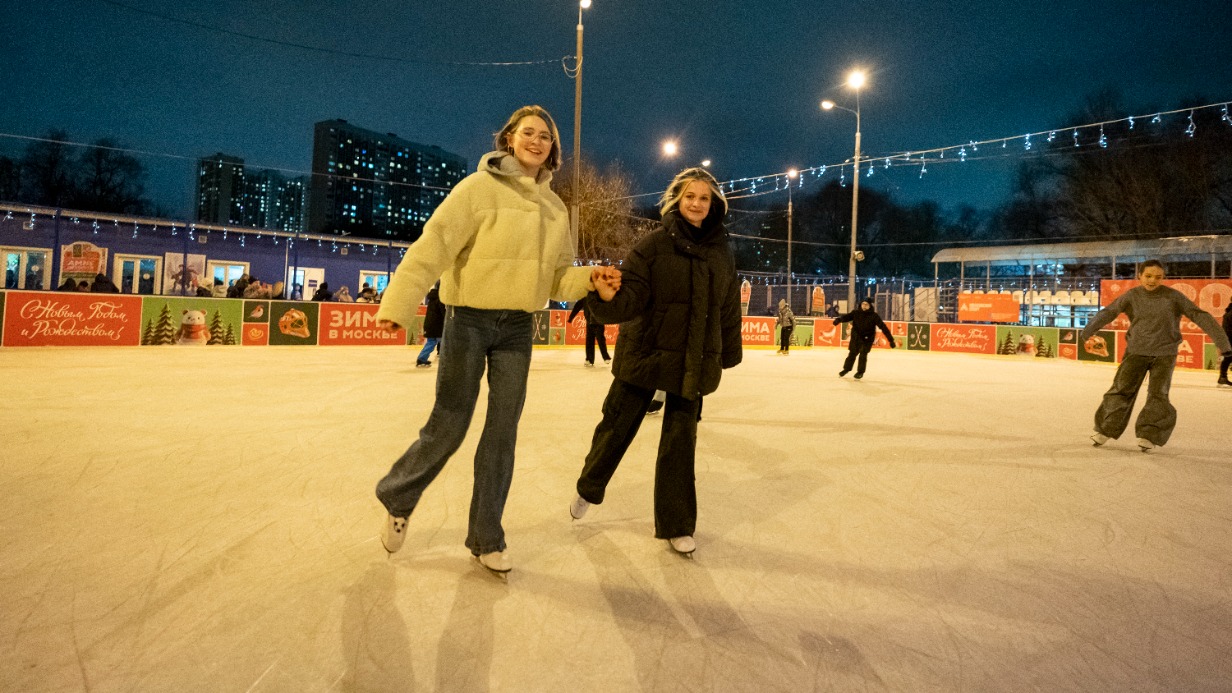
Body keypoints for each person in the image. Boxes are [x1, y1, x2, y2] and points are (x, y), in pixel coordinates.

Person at [371, 105, 615, 575]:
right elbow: (432, 246)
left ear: (553, 149)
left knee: (503, 432)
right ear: (508, 139)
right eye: (528, 133)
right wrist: (398, 304)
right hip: (468, 320)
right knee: (451, 421)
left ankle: (487, 536)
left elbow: (558, 278)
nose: (537, 141)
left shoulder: (554, 208)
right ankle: (399, 496)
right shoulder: (476, 190)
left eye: (546, 136)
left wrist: (590, 279)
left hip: (518, 327)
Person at [569, 167, 743, 557]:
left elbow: (727, 308)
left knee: (681, 444)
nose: (696, 204)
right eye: (689, 197)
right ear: (676, 201)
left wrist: (728, 353)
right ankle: (588, 487)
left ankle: (676, 524)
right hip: (646, 352)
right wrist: (606, 297)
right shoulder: (652, 245)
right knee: (616, 427)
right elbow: (629, 298)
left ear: (714, 205)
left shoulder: (721, 252)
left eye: (704, 198)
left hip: (693, 359)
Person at [1082, 260, 1232, 451]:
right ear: (1140, 276)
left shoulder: (1173, 297)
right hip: (1136, 351)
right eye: (1148, 276)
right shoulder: (1132, 296)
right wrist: (1088, 331)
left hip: (1165, 354)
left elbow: (1199, 315)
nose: (1153, 280)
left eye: (1158, 277)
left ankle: (1149, 434)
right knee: (1121, 390)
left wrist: (1222, 342)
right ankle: (1105, 429)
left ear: (1163, 278)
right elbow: (1110, 311)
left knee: (1158, 395)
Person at [833, 298, 896, 379]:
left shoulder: (874, 316)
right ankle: (846, 369)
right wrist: (838, 320)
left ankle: (860, 372)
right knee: (852, 354)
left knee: (863, 354)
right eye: (863, 304)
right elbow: (846, 317)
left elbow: (883, 327)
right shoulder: (856, 313)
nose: (864, 306)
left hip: (867, 339)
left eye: (866, 305)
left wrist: (891, 340)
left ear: (870, 306)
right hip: (856, 338)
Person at [567, 295, 611, 367]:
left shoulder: (599, 297)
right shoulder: (585, 298)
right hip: (589, 322)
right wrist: (571, 318)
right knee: (589, 341)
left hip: (598, 322)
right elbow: (577, 306)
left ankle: (606, 357)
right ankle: (589, 359)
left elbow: (606, 307)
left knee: (601, 339)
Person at [416, 282, 444, 368]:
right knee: (444, 343)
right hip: (437, 325)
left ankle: (422, 358)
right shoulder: (440, 299)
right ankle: (449, 360)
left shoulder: (432, 298)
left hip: (430, 324)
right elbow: (443, 312)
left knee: (431, 342)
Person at [1220, 306, 1232, 387]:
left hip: (1228, 338)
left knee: (1228, 358)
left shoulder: (1228, 312)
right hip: (1230, 338)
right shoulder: (1230, 313)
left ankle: (1222, 377)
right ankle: (1222, 377)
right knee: (1228, 358)